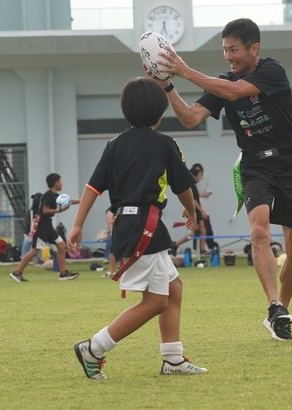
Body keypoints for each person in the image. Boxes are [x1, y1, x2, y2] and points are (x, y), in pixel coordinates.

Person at [152, 18, 292, 340]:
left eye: (234, 49)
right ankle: (274, 303)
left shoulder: (272, 71)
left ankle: (282, 312)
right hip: (255, 167)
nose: (228, 56)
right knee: (259, 227)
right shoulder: (221, 83)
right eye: (224, 50)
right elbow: (190, 118)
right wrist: (168, 86)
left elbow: (236, 91)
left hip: (291, 164)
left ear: (254, 48)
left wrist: (184, 70)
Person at [69, 77, 207, 379]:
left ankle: (172, 358)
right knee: (156, 301)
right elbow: (183, 185)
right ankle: (94, 347)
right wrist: (191, 210)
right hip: (147, 225)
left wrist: (77, 225)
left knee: (173, 287)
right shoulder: (165, 144)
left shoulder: (114, 145)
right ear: (160, 113)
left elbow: (93, 187)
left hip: (127, 224)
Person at [9, 173, 79, 282]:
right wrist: (59, 210)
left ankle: (63, 273)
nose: (62, 183)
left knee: (61, 245)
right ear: (56, 183)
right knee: (34, 250)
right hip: (42, 225)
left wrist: (83, 201)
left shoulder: (55, 195)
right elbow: (45, 210)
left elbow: (69, 201)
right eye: (60, 181)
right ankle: (17, 272)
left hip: (48, 225)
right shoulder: (48, 195)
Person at [191, 163, 217, 250]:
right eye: (198, 173)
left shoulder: (204, 181)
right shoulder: (192, 185)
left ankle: (204, 248)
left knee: (204, 230)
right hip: (196, 210)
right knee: (197, 231)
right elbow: (194, 199)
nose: (200, 175)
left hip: (201, 210)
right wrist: (201, 211)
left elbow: (207, 193)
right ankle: (199, 249)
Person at [101, 207, 117, 278]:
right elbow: (111, 224)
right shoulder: (111, 211)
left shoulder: (110, 212)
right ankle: (112, 271)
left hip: (115, 234)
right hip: (115, 233)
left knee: (112, 253)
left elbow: (110, 223)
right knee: (113, 253)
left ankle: (112, 271)